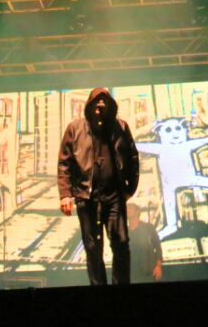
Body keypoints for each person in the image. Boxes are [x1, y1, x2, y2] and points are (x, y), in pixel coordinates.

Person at [58, 88, 140, 285]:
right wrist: (65, 194)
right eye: (97, 101)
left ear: (111, 106)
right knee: (93, 247)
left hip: (114, 198)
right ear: (89, 105)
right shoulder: (75, 128)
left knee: (120, 243)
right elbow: (64, 162)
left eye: (105, 101)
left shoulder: (120, 127)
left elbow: (132, 158)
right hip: (87, 199)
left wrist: (128, 190)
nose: (100, 105)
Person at [127, 203, 163, 283]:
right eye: (126, 208)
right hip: (132, 273)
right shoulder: (125, 232)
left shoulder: (148, 228)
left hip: (148, 272)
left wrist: (158, 266)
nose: (127, 210)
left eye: (130, 208)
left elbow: (158, 248)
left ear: (137, 211)